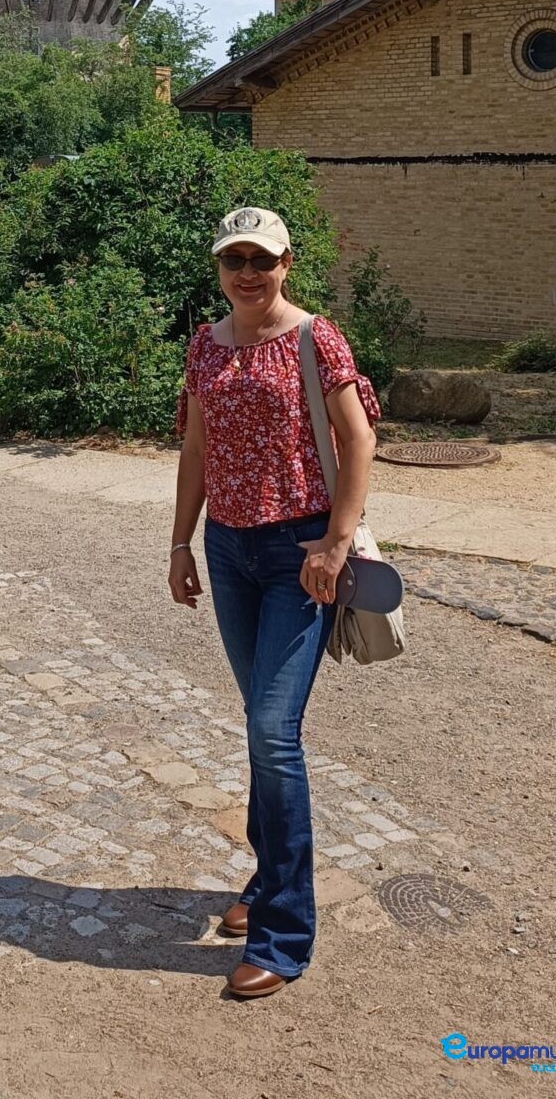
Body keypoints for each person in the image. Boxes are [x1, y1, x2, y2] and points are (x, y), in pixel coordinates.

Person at [169, 205, 379, 1000]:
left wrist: (334, 541)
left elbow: (358, 439)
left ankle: (284, 935)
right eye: (234, 260)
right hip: (228, 550)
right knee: (260, 723)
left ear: (288, 262)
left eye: (262, 258)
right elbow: (195, 447)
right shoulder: (205, 344)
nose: (247, 273)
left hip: (299, 556)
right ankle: (264, 885)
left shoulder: (312, 338)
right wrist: (179, 542)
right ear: (220, 269)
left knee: (271, 729)